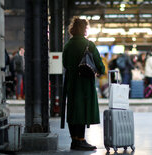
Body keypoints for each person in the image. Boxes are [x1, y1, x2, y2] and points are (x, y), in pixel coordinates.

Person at [62, 17, 105, 151]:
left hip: (71, 83)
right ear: (84, 29)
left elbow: (64, 64)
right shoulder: (89, 44)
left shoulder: (68, 45)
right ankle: (81, 140)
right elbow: (100, 66)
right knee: (82, 110)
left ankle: (74, 140)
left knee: (73, 110)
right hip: (85, 83)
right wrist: (99, 71)